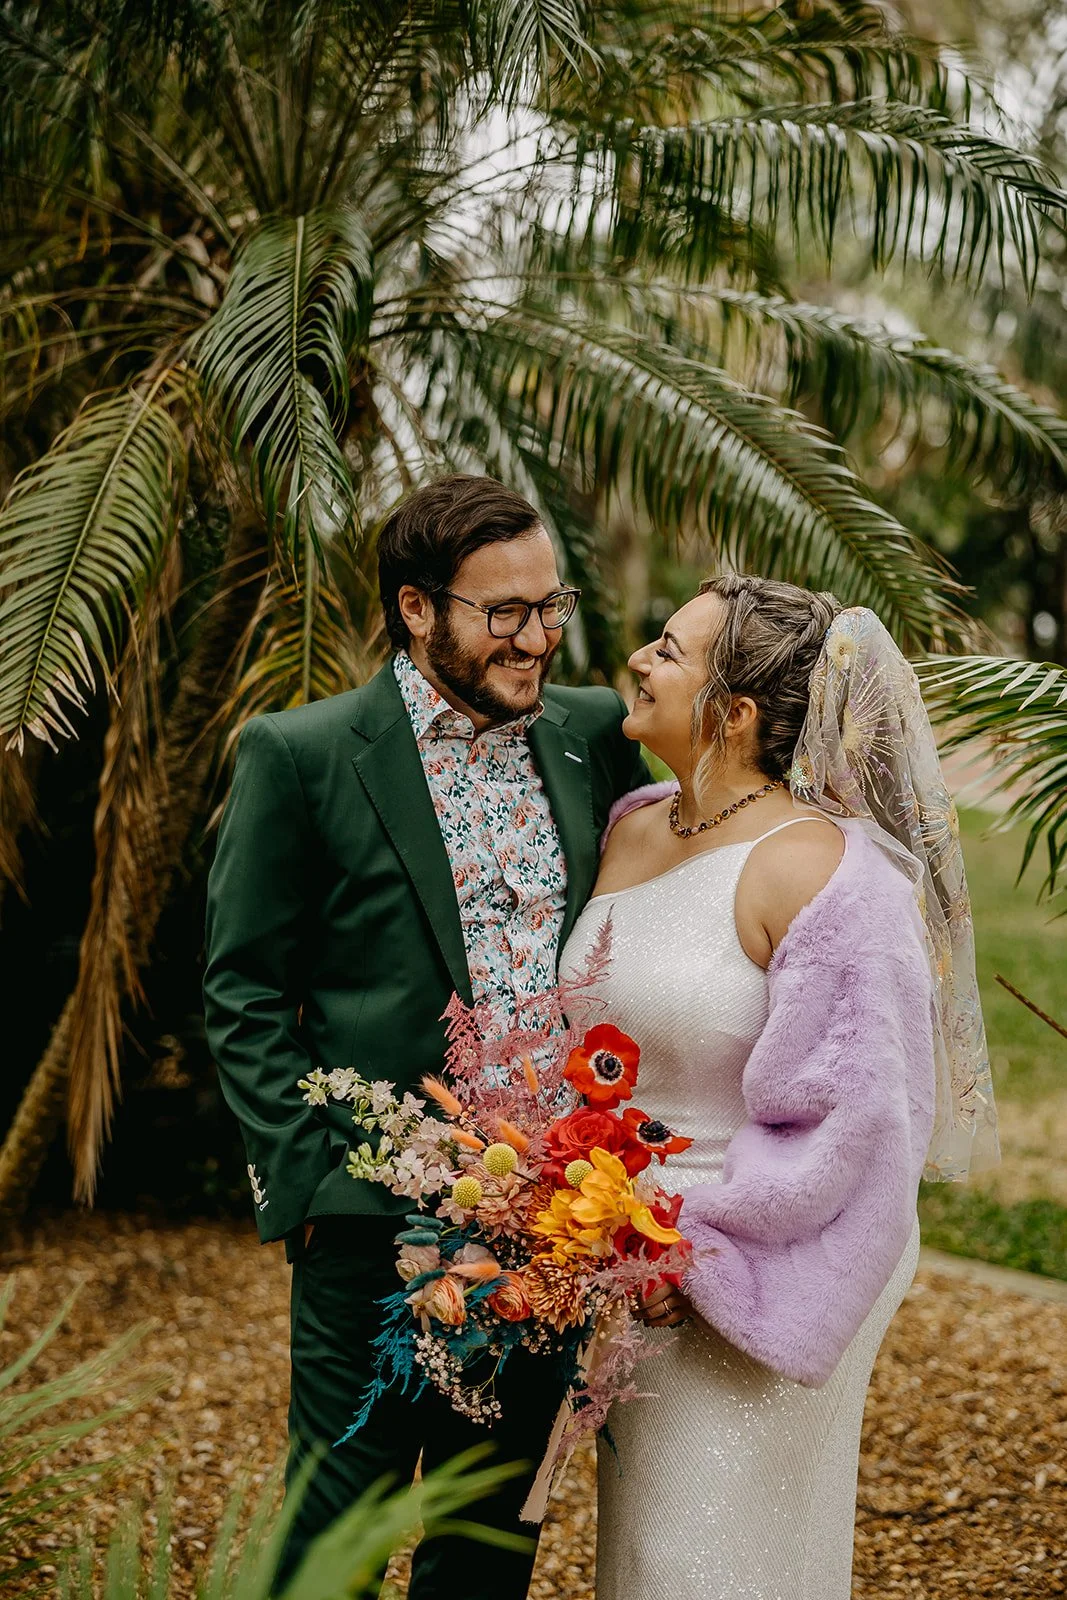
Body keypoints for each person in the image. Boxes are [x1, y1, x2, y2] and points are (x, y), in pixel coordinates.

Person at [201, 475, 648, 1597]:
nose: (537, 638)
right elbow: (240, 991)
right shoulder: (297, 756)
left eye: (551, 608)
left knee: (488, 1544)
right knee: (330, 1545)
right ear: (415, 608)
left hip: (548, 1230)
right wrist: (313, 1191)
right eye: (503, 613)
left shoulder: (596, 735)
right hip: (370, 1238)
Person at [559, 574, 999, 1600]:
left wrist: (690, 1252)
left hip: (751, 1277)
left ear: (737, 711)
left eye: (668, 650)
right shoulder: (630, 826)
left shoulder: (826, 873)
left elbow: (851, 1126)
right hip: (627, 1267)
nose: (638, 657)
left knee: (699, 1565)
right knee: (640, 1557)